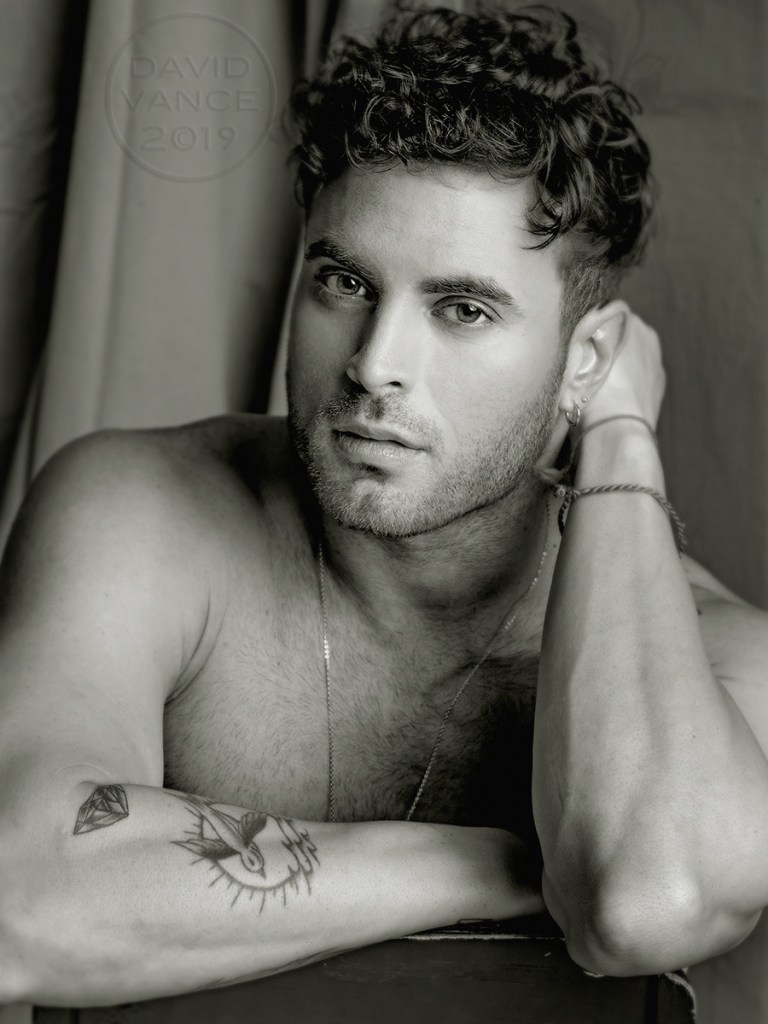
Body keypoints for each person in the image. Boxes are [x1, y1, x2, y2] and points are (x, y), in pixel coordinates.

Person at [1, 4, 766, 1009]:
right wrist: (506, 866)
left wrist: (621, 437)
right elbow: (19, 901)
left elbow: (648, 902)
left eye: (463, 309)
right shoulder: (141, 515)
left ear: (585, 358)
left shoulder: (711, 656)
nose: (374, 365)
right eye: (346, 282)